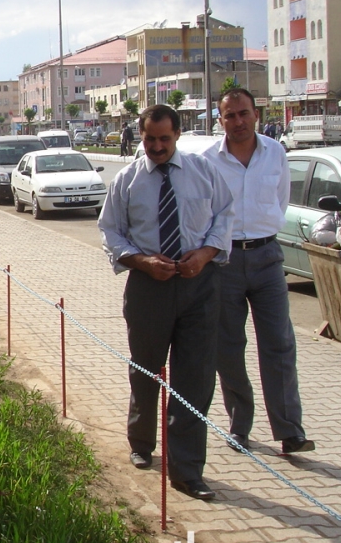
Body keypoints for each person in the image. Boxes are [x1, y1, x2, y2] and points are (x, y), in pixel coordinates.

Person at [98, 104, 234, 501]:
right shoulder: (127, 181)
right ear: (140, 137)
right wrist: (141, 261)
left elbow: (225, 214)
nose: (157, 147)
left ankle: (187, 471)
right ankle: (141, 443)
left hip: (200, 285)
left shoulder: (204, 172)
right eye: (150, 139)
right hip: (148, 287)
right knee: (146, 371)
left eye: (164, 139)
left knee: (194, 378)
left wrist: (206, 254)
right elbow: (110, 230)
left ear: (177, 135)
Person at [204, 89, 314, 456]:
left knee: (280, 344)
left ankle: (290, 431)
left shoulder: (276, 152)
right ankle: (239, 426)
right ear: (220, 120)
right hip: (225, 261)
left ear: (256, 114)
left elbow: (279, 201)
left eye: (244, 113)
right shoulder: (208, 160)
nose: (238, 121)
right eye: (230, 115)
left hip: (268, 257)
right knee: (228, 347)